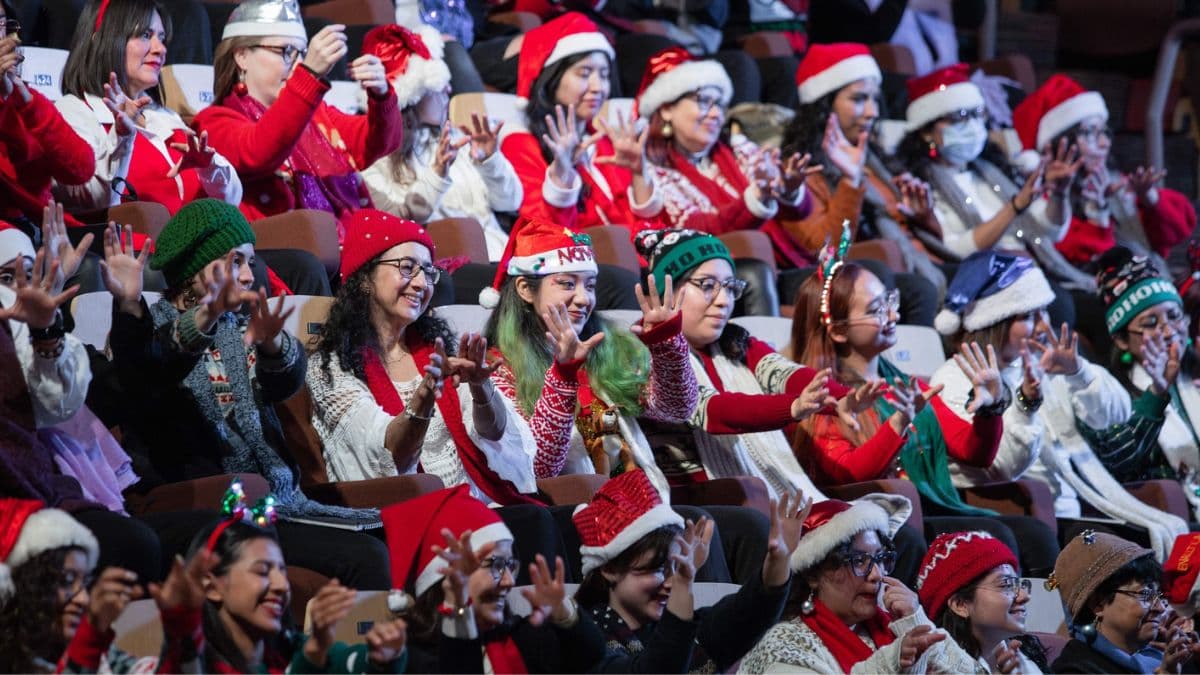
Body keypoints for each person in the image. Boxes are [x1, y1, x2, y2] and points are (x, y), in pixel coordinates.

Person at [106, 198, 392, 589]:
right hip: (222, 507)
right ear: (193, 272)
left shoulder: (241, 323)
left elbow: (284, 383)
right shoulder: (149, 330)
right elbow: (151, 373)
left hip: (280, 500)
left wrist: (273, 346)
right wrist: (204, 318)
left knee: (394, 535)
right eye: (234, 261)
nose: (247, 274)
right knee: (368, 556)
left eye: (249, 262)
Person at [790, 235, 1060, 575]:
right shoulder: (824, 396)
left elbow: (974, 453)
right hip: (882, 521)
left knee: (1033, 535)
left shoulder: (906, 384)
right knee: (999, 535)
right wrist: (898, 423)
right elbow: (848, 474)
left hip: (928, 509)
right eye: (876, 310)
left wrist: (990, 409)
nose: (892, 314)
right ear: (839, 331)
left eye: (889, 301)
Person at [308, 208, 540, 506]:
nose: (421, 283)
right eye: (407, 267)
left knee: (558, 519)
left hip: (479, 505)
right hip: (410, 515)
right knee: (536, 524)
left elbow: (496, 434)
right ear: (364, 278)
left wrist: (482, 388)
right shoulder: (331, 366)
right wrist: (425, 395)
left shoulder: (438, 349)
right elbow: (389, 458)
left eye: (428, 271)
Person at [633, 228, 876, 497]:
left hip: (752, 494)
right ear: (666, 289)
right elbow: (713, 411)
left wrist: (840, 397)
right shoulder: (643, 353)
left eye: (729, 287)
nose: (724, 301)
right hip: (699, 500)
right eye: (708, 286)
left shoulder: (735, 341)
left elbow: (783, 373)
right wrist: (793, 406)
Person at [481, 216, 695, 495]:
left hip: (643, 503)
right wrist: (563, 374)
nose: (584, 298)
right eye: (568, 284)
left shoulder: (609, 347)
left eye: (590, 285)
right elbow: (538, 469)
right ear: (525, 289)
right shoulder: (496, 368)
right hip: (570, 516)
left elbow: (676, 409)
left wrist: (666, 343)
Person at [1013, 74, 1195, 359]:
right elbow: (1071, 253)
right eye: (1089, 133)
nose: (1102, 143)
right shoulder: (1041, 190)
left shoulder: (1109, 182)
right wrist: (1097, 217)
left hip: (1129, 281)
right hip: (1077, 288)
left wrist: (1150, 199)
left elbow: (1167, 238)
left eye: (1104, 132)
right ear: (1060, 143)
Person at [895, 63, 1086, 327]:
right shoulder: (920, 184)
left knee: (1094, 304)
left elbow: (1051, 232)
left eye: (977, 114)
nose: (973, 125)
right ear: (927, 130)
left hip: (1038, 268)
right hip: (989, 278)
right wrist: (1013, 208)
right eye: (960, 116)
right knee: (1059, 304)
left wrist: (1059, 196)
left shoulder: (991, 171)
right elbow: (953, 249)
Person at [193, 0, 402, 228]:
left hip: (341, 247)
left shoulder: (317, 116)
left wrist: (381, 95)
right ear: (241, 55)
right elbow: (259, 151)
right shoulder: (214, 121)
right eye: (286, 51)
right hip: (280, 254)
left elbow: (380, 143)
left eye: (302, 54)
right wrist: (309, 75)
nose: (298, 65)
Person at [573, 470, 804, 672]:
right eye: (657, 569)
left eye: (677, 568)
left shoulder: (690, 630)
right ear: (610, 569)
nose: (670, 582)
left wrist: (779, 559)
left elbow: (753, 610)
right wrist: (683, 586)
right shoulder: (585, 641)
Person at [779, 42, 943, 323]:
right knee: (918, 289)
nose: (871, 111)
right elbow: (824, 247)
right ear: (824, 105)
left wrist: (924, 218)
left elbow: (927, 243)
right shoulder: (802, 168)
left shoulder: (876, 160)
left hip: (917, 265)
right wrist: (850, 181)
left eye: (874, 99)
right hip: (856, 273)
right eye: (858, 99)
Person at [495, 12, 648, 311]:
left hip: (625, 265)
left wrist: (640, 174)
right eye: (584, 73)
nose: (597, 86)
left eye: (604, 74)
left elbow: (641, 229)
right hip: (569, 277)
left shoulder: (604, 141)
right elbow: (541, 235)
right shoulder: (520, 141)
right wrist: (563, 174)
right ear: (552, 79)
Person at [738, 494, 978, 673]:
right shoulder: (785, 643)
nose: (876, 574)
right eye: (859, 560)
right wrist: (890, 664)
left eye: (880, 559)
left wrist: (916, 618)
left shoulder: (890, 626)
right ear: (813, 575)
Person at [381, 484, 607, 673]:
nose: (509, 581)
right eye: (495, 565)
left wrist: (564, 613)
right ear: (447, 573)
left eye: (510, 565)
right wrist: (458, 607)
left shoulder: (519, 637)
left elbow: (592, 657)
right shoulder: (408, 654)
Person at [55, 0, 242, 215]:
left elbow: (232, 201)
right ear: (103, 40)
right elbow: (97, 199)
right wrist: (122, 135)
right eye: (145, 35)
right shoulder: (74, 112)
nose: (160, 49)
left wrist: (209, 167)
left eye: (161, 38)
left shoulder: (166, 117)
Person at [359, 23, 521, 262]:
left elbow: (511, 201)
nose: (448, 88)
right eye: (435, 86)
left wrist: (490, 161)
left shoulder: (459, 137)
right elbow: (397, 223)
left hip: (502, 259)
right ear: (410, 96)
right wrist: (436, 173)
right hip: (444, 265)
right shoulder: (377, 154)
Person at [190, 498, 409, 673]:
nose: (281, 585)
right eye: (263, 571)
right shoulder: (190, 665)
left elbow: (353, 661)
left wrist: (382, 657)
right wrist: (312, 657)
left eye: (282, 571)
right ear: (212, 587)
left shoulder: (289, 649)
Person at [1091, 247, 1196, 501]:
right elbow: (1119, 464)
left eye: (1174, 316)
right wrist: (1156, 394)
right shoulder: (1111, 393)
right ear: (1122, 340)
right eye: (1151, 323)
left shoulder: (1195, 370)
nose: (1169, 331)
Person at [0, 0, 95, 232]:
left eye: (1, 23)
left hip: (43, 230)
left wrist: (26, 100)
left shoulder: (26, 99)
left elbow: (81, 169)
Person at [1049, 530, 1193, 673]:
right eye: (1144, 594)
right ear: (1098, 604)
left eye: (1158, 595)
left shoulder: (1157, 658)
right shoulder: (1075, 670)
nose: (1160, 608)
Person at [917, 531, 1048, 673]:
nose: (1024, 596)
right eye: (1005, 585)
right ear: (960, 605)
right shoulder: (934, 668)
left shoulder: (1026, 659)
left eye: (1018, 584)